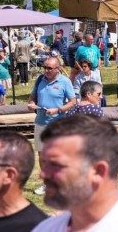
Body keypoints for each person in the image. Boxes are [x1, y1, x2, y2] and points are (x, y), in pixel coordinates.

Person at [32, 115, 118, 231]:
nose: (42, 174)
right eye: (45, 163)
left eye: (56, 165)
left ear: (98, 171)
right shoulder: (45, 229)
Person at [26, 56, 77, 196]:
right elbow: (32, 98)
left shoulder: (65, 81)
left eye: (49, 68)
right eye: (45, 67)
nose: (46, 70)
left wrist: (58, 109)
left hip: (58, 124)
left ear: (58, 68)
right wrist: (31, 104)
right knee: (42, 155)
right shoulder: (40, 80)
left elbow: (73, 101)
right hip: (41, 122)